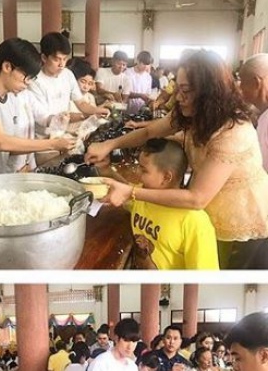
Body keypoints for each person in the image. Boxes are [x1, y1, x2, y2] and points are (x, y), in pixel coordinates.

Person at [86, 49, 268, 269]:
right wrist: (109, 145)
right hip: (206, 210)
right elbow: (148, 132)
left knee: (217, 268)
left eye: (186, 91)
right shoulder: (193, 112)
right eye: (178, 89)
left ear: (209, 93)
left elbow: (196, 198)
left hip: (239, 219)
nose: (178, 98)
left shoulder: (234, 131)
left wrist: (130, 191)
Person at [0, 37, 77, 178]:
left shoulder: (10, 98)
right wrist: (53, 144)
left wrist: (25, 164)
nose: (28, 83)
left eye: (32, 79)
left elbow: (12, 145)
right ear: (7, 67)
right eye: (26, 77)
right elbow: (0, 142)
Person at [127, 138, 219, 269]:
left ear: (166, 177)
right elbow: (125, 194)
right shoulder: (143, 195)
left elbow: (203, 279)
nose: (137, 173)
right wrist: (106, 170)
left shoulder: (194, 221)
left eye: (143, 170)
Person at [28, 32, 109, 138]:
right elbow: (41, 116)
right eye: (57, 59)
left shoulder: (67, 74)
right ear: (44, 58)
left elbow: (81, 103)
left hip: (62, 134)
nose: (61, 64)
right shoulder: (35, 80)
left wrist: (97, 110)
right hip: (43, 138)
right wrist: (59, 120)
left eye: (65, 59)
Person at [239, 53, 268, 170]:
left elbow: (261, 168)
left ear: (256, 83)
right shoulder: (261, 115)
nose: (239, 87)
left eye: (242, 81)